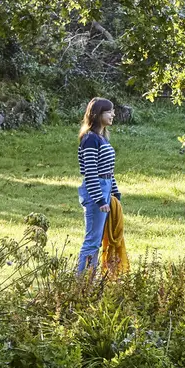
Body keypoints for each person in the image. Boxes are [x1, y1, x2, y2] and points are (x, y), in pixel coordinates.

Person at [75, 97, 120, 275]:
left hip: (106, 188)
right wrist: (100, 199)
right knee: (92, 240)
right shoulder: (90, 140)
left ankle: (91, 279)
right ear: (97, 114)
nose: (113, 115)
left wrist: (115, 192)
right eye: (109, 111)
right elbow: (91, 173)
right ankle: (81, 282)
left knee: (99, 239)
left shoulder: (102, 138)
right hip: (96, 191)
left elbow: (108, 170)